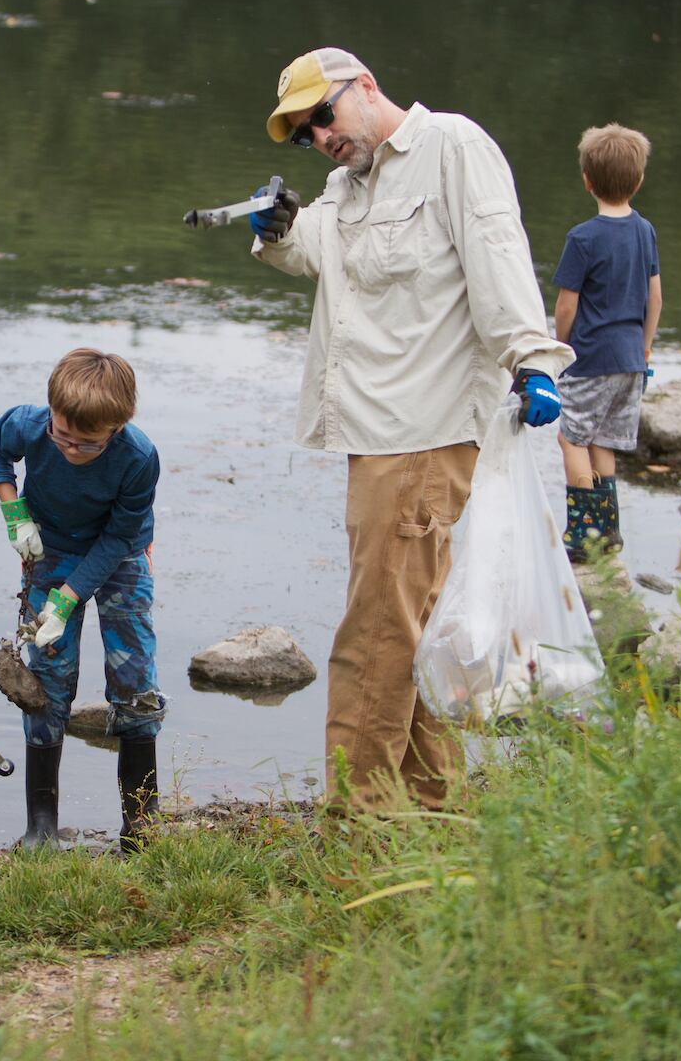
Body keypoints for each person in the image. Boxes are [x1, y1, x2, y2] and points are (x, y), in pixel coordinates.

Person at [247, 47, 574, 812]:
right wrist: (276, 230)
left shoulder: (452, 147)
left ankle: (357, 829)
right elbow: (313, 255)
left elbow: (499, 255)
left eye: (322, 116)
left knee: (374, 637)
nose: (320, 138)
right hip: (378, 436)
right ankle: (432, 811)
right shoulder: (342, 185)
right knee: (414, 628)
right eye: (303, 134)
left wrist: (532, 361)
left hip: (423, 436)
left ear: (364, 86)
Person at [0, 348, 164, 853]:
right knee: (47, 674)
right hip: (53, 547)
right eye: (63, 436)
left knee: (134, 677)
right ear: (51, 413)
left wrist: (67, 600)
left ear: (118, 426)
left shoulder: (138, 457)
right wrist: (14, 510)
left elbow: (117, 539)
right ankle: (41, 828)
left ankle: (141, 829)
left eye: (88, 444)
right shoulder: (30, 425)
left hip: (119, 557)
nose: (71, 450)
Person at [552, 124, 662, 562]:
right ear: (637, 182)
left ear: (587, 180)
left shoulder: (583, 238)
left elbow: (566, 306)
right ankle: (608, 530)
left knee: (572, 439)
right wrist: (646, 347)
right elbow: (655, 297)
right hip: (631, 358)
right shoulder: (645, 230)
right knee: (602, 441)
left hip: (591, 358)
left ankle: (583, 534)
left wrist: (559, 349)